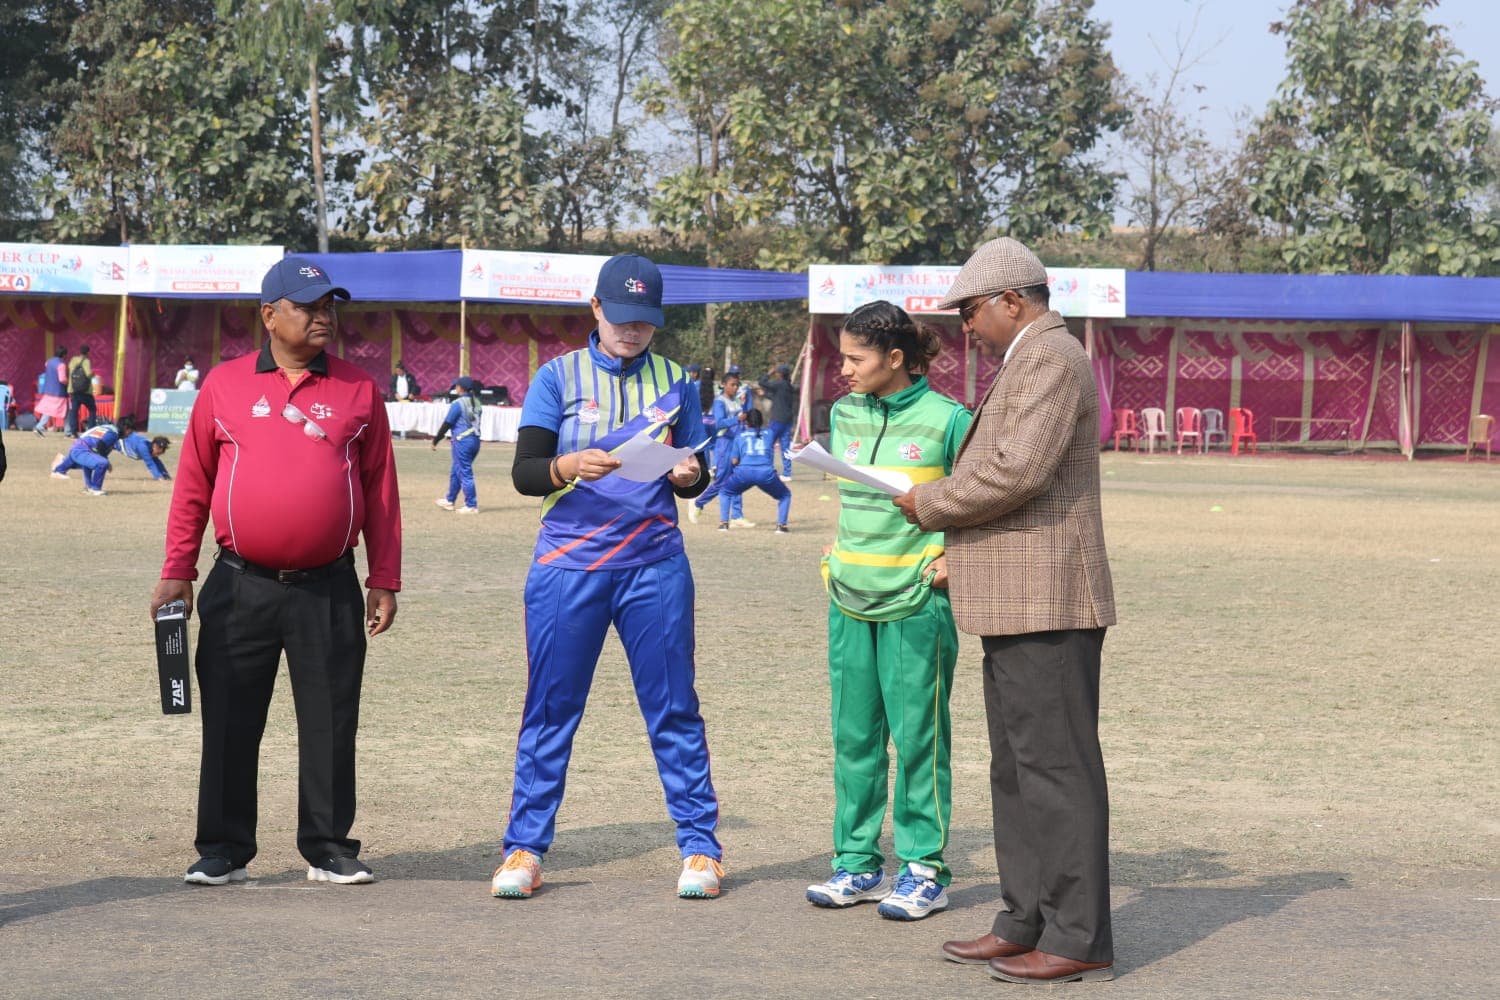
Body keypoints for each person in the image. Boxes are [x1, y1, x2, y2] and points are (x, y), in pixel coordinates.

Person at [892, 237, 1117, 984]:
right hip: (1015, 596)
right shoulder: (1029, 357)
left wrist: (928, 503)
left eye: (969, 311)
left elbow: (1017, 470)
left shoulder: (1053, 357)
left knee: (1056, 770)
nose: (964, 326)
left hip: (1049, 598)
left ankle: (1077, 935)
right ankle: (1026, 918)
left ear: (1012, 300)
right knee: (1017, 771)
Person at [148, 256, 402, 888]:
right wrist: (178, 568)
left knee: (330, 718)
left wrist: (384, 578)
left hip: (330, 586)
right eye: (309, 307)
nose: (324, 318)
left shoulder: (359, 389)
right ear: (269, 315)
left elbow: (381, 489)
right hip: (240, 583)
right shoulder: (224, 386)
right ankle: (224, 847)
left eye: (330, 307)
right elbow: (193, 485)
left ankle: (328, 845)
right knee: (231, 719)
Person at [495, 252, 724, 902]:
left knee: (675, 708)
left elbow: (695, 473)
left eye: (644, 323)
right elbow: (524, 472)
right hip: (568, 569)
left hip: (654, 568)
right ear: (595, 309)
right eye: (621, 319)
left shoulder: (678, 381)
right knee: (550, 710)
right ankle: (525, 849)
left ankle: (702, 849)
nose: (632, 332)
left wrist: (689, 476)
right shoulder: (556, 376)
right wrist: (568, 465)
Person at [806, 300, 973, 921]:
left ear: (895, 359)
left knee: (919, 739)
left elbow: (983, 496)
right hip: (848, 597)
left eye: (856, 358)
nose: (843, 370)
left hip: (915, 602)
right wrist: (839, 551)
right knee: (854, 739)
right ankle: (856, 865)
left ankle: (924, 869)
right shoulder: (844, 412)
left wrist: (959, 556)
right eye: (842, 357)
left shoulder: (951, 420)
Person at [688, 373, 751, 525]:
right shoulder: (719, 402)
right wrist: (737, 419)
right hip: (724, 444)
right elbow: (719, 423)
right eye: (732, 385)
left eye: (737, 385)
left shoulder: (737, 400)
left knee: (739, 479)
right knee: (722, 481)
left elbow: (741, 420)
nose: (735, 388)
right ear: (724, 385)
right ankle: (698, 502)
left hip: (737, 443)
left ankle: (737, 516)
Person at [715, 408, 790, 532]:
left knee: (725, 492)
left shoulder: (740, 436)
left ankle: (724, 523)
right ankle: (781, 526)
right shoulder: (770, 433)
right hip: (765, 473)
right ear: (761, 422)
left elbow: (734, 461)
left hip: (744, 472)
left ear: (746, 423)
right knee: (785, 495)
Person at [431, 375, 481, 514]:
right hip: (475, 440)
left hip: (462, 441)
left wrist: (436, 440)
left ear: (461, 388)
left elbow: (447, 423)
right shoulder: (477, 402)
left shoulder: (458, 403)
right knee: (456, 471)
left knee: (464, 472)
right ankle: (450, 500)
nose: (455, 388)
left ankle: (471, 504)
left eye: (456, 386)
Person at [51, 421, 120, 495]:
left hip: (79, 446)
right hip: (81, 448)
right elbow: (101, 446)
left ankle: (61, 466)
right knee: (101, 463)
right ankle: (95, 488)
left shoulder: (106, 428)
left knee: (90, 461)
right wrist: (106, 460)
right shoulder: (112, 433)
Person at [757, 362, 798, 481]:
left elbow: (762, 382)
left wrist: (768, 373)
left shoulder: (779, 384)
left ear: (779, 374)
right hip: (787, 420)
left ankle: (768, 470)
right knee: (785, 447)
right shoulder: (788, 386)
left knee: (768, 444)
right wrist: (765, 394)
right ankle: (787, 473)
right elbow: (777, 397)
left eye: (777, 372)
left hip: (777, 420)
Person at [117, 415, 172, 481]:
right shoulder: (143, 447)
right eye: (158, 453)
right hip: (119, 443)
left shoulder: (151, 446)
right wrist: (159, 477)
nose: (158, 455)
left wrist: (167, 476)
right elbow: (150, 464)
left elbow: (158, 462)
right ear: (155, 447)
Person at [34, 348, 68, 435]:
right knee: (66, 411)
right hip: (58, 391)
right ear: (64, 355)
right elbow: (62, 379)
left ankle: (39, 426)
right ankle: (69, 431)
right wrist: (69, 382)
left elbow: (47, 367)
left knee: (48, 410)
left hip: (48, 390)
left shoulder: (49, 362)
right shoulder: (61, 364)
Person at [65, 344, 97, 436]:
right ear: (88, 353)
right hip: (85, 392)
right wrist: (93, 374)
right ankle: (91, 431)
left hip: (73, 390)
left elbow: (70, 371)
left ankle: (73, 433)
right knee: (92, 410)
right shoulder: (86, 361)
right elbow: (88, 374)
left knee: (73, 412)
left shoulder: (73, 360)